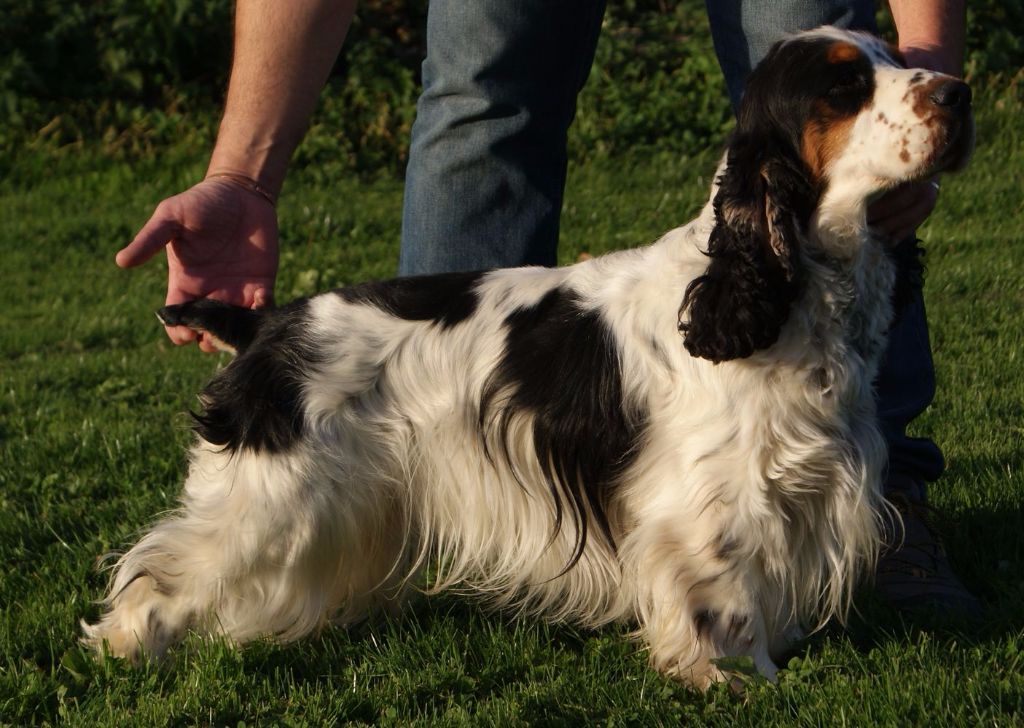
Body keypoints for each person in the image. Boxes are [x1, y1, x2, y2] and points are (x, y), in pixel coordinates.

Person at [115, 0, 980, 616]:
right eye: (850, 91)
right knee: (482, 98)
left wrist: (930, 55)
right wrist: (241, 177)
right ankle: (152, 607)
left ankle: (895, 512)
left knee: (802, 12)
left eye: (889, 68)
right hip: (339, 364)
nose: (916, 88)